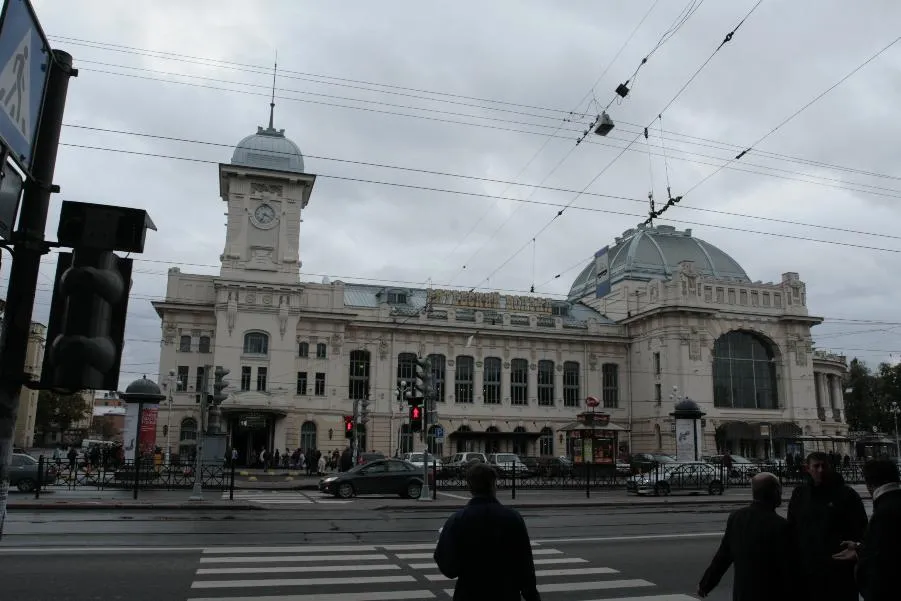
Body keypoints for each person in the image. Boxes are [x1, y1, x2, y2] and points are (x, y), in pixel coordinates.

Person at [434, 463, 540, 601]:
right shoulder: (512, 518)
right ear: (494, 485)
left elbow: (447, 566)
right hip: (506, 593)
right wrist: (532, 596)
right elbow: (525, 566)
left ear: (470, 487)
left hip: (469, 593)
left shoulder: (457, 520)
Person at [697, 472, 796, 601]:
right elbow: (790, 571)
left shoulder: (737, 518)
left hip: (743, 594)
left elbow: (723, 556)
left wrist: (705, 584)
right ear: (775, 492)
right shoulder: (781, 526)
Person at [787, 451, 868, 601]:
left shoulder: (846, 494)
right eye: (816, 466)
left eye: (824, 466)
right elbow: (792, 528)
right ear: (808, 469)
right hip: (808, 571)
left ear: (830, 467)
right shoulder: (800, 494)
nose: (820, 470)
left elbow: (862, 528)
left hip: (839, 570)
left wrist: (857, 549)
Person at [831, 459, 901, 600]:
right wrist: (859, 548)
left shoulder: (883, 512)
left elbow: (881, 561)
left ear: (869, 484)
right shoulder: (893, 504)